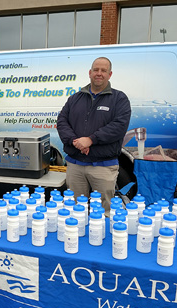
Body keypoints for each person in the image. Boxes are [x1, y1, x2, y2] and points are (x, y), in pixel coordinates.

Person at [56, 57, 131, 214]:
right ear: (90, 73)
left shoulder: (119, 99)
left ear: (109, 74)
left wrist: (90, 140)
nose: (99, 73)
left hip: (103, 166)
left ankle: (104, 237)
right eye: (96, 70)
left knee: (106, 210)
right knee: (76, 209)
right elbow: (62, 121)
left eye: (103, 70)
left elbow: (118, 126)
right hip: (75, 165)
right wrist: (75, 142)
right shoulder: (75, 98)